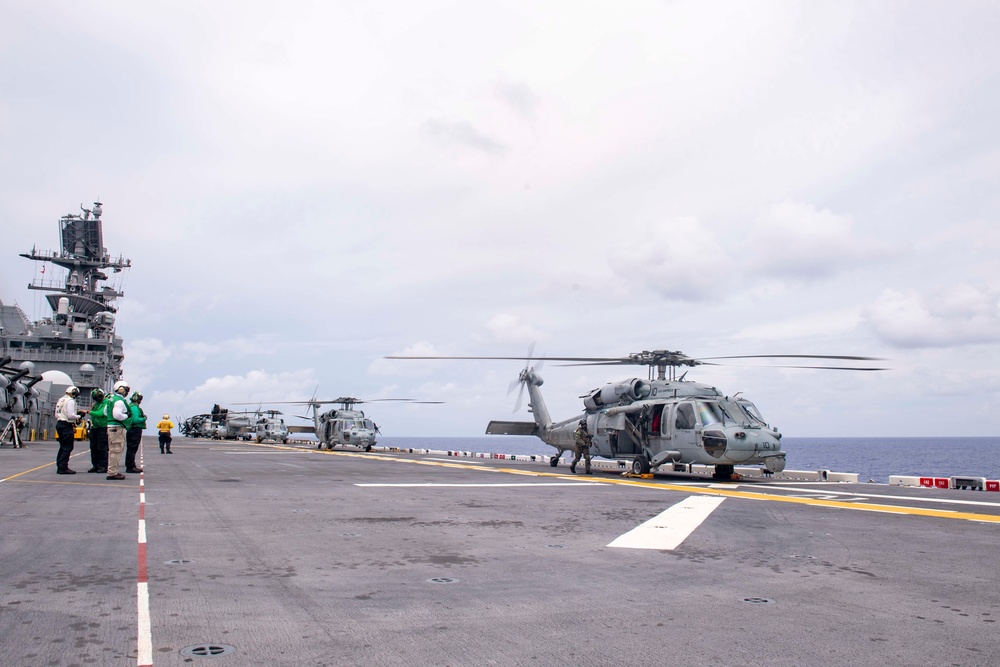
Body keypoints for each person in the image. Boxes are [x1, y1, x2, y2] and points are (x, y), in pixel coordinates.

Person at [105, 380, 133, 481]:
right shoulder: (119, 401)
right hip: (117, 428)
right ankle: (112, 472)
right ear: (121, 389)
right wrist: (126, 416)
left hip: (111, 427)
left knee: (114, 450)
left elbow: (105, 412)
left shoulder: (110, 399)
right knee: (116, 450)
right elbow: (117, 415)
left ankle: (113, 471)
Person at [54, 386, 81, 474]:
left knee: (62, 446)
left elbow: (56, 415)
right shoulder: (70, 401)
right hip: (66, 424)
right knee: (68, 447)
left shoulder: (61, 400)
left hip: (59, 423)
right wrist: (79, 416)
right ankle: (63, 467)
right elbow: (71, 415)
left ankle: (60, 465)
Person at [87, 388, 109, 473]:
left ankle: (103, 466)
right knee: (93, 447)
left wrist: (88, 412)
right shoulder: (96, 404)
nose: (97, 398)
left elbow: (100, 413)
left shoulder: (106, 403)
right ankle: (95, 465)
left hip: (102, 428)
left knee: (102, 448)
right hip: (95, 428)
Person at [125, 391, 146, 473]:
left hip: (131, 429)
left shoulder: (130, 406)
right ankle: (130, 466)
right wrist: (144, 418)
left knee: (131, 448)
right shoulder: (134, 407)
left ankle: (130, 465)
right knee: (132, 448)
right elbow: (135, 420)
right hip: (135, 430)